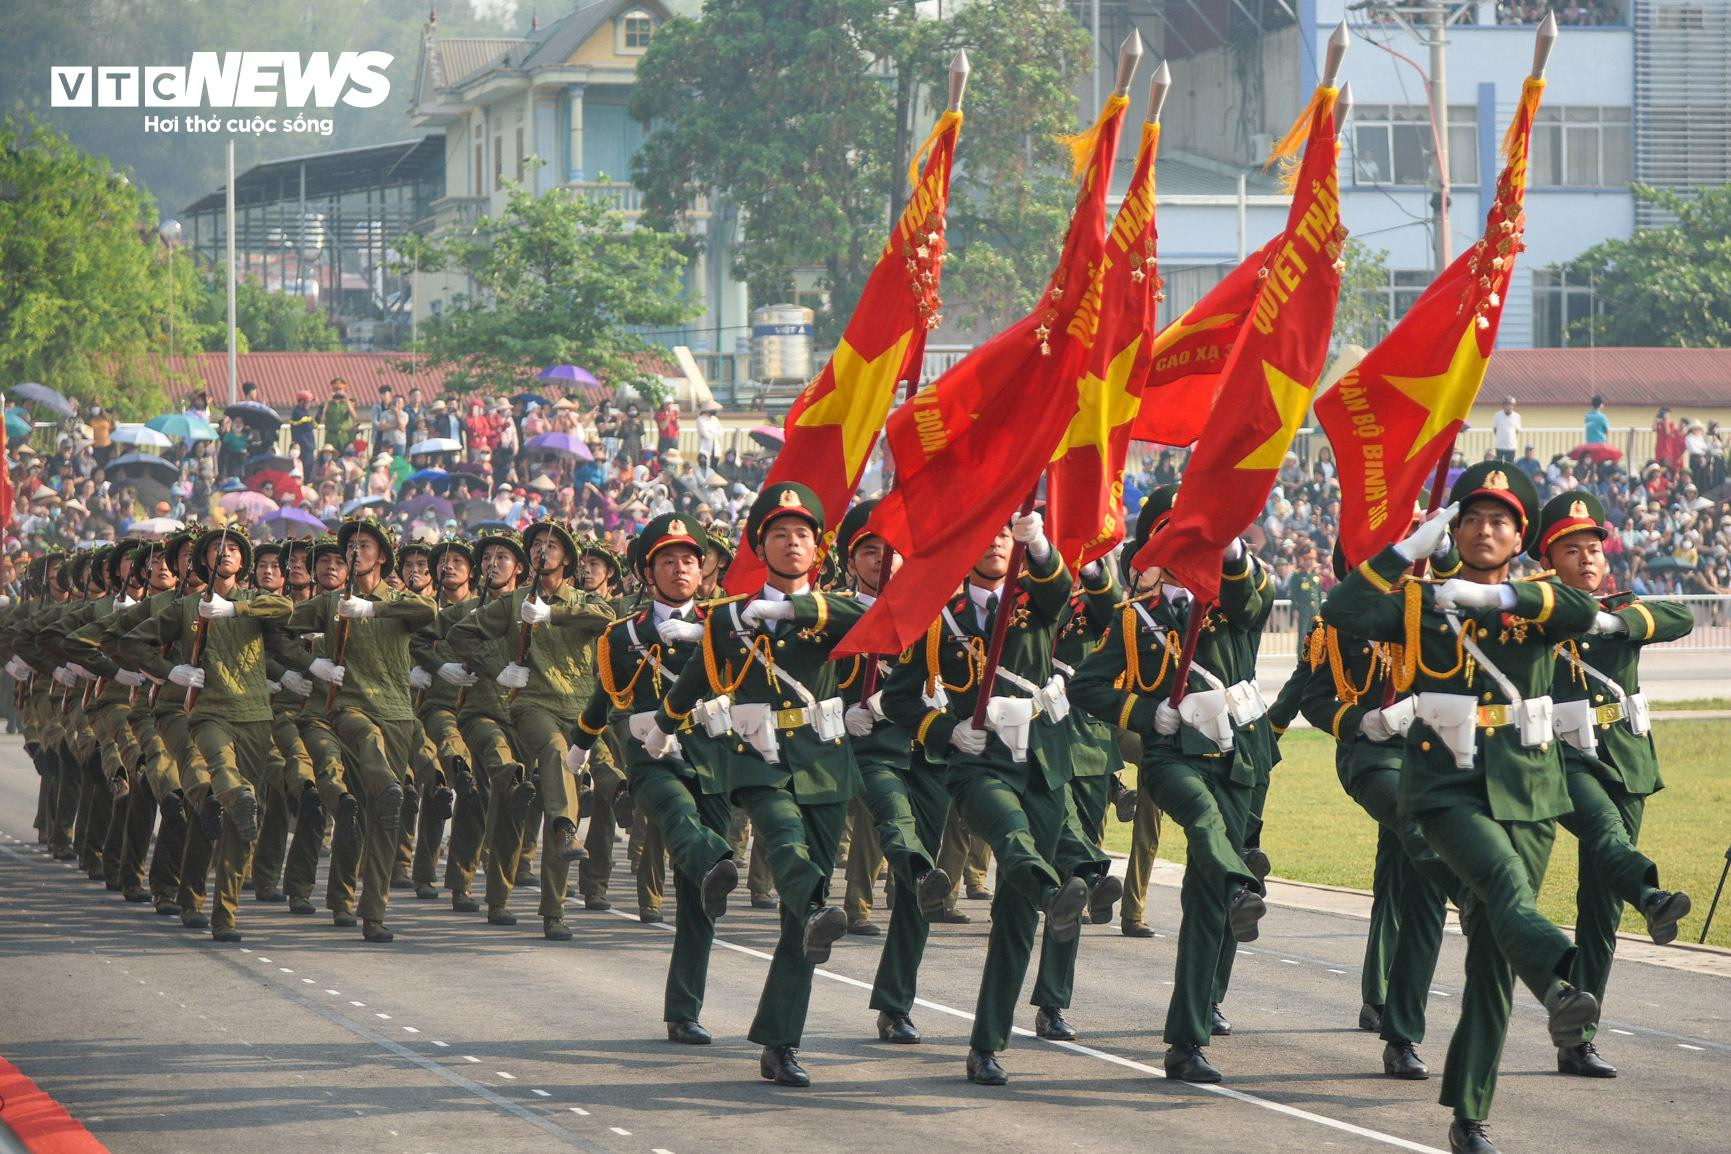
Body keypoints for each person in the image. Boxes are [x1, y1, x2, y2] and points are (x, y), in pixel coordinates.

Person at [1323, 463, 1602, 1154]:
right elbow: (1343, 612)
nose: (1484, 529)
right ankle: (1560, 981)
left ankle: (1468, 1115)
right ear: (1454, 529)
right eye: (1471, 518)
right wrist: (1403, 554)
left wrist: (1501, 597)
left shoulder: (1537, 596)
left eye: (1500, 520)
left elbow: (1579, 610)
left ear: (1518, 539)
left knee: (1488, 961)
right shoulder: (1420, 601)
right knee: (1502, 886)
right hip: (1444, 790)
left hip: (1529, 791)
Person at [652, 482, 868, 1087]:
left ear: (818, 549)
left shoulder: (831, 609)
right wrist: (663, 726)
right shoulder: (726, 615)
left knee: (800, 923)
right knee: (782, 838)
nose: (792, 542)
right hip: (757, 757)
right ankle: (820, 900)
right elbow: (696, 676)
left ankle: (779, 1043)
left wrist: (796, 610)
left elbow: (880, 616)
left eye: (802, 534)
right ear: (760, 546)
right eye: (779, 533)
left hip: (824, 761)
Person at [1070, 486, 1270, 1084]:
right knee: (1207, 830)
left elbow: (1252, 604)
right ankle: (1239, 884)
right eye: (1171, 538)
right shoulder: (1136, 620)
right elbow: (1087, 686)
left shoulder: (1233, 601)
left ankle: (1186, 1040)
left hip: (1238, 757)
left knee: (1205, 906)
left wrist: (1229, 551)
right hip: (1172, 756)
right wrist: (1140, 709)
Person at [1538, 490, 1694, 1077]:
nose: (1587, 559)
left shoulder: (1623, 609)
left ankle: (1577, 1041)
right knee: (1605, 835)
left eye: (1593, 548)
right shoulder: (1536, 616)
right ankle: (1653, 894)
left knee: (1600, 907)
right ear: (1549, 560)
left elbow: (1677, 617)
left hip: (1626, 762)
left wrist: (1614, 620)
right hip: (1567, 762)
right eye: (1572, 550)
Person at [573, 513, 740, 1043]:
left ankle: (682, 1011)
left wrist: (702, 636)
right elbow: (606, 692)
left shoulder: (724, 623)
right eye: (667, 560)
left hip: (713, 756)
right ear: (649, 573)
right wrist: (580, 743)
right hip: (651, 754)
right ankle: (716, 860)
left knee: (697, 897)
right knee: (677, 817)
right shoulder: (624, 634)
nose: (681, 569)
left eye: (689, 560)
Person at [447, 519, 615, 939]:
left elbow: (606, 617)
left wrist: (552, 613)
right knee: (532, 787)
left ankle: (553, 910)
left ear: (568, 557)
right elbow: (460, 633)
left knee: (562, 801)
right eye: (537, 543)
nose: (544, 548)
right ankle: (499, 896)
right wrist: (497, 669)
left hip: (577, 710)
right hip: (529, 710)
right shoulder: (513, 603)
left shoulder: (582, 601)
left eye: (552, 544)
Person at [273, 517, 436, 943]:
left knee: (377, 818)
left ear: (382, 556)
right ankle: (384, 788)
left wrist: (373, 608)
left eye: (365, 546)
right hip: (347, 708)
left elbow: (427, 611)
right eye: (351, 546)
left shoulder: (398, 601)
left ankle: (369, 911)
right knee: (368, 754)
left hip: (398, 713)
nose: (355, 552)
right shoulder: (329, 604)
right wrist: (310, 664)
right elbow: (278, 631)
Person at [1491, 397, 1521, 464]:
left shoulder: (1517, 416)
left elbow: (1517, 431)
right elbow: (1495, 429)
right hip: (1499, 446)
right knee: (1498, 465)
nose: (1508, 407)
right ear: (1503, 406)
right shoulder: (1497, 415)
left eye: (1511, 405)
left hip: (1511, 446)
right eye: (1507, 404)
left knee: (1510, 466)